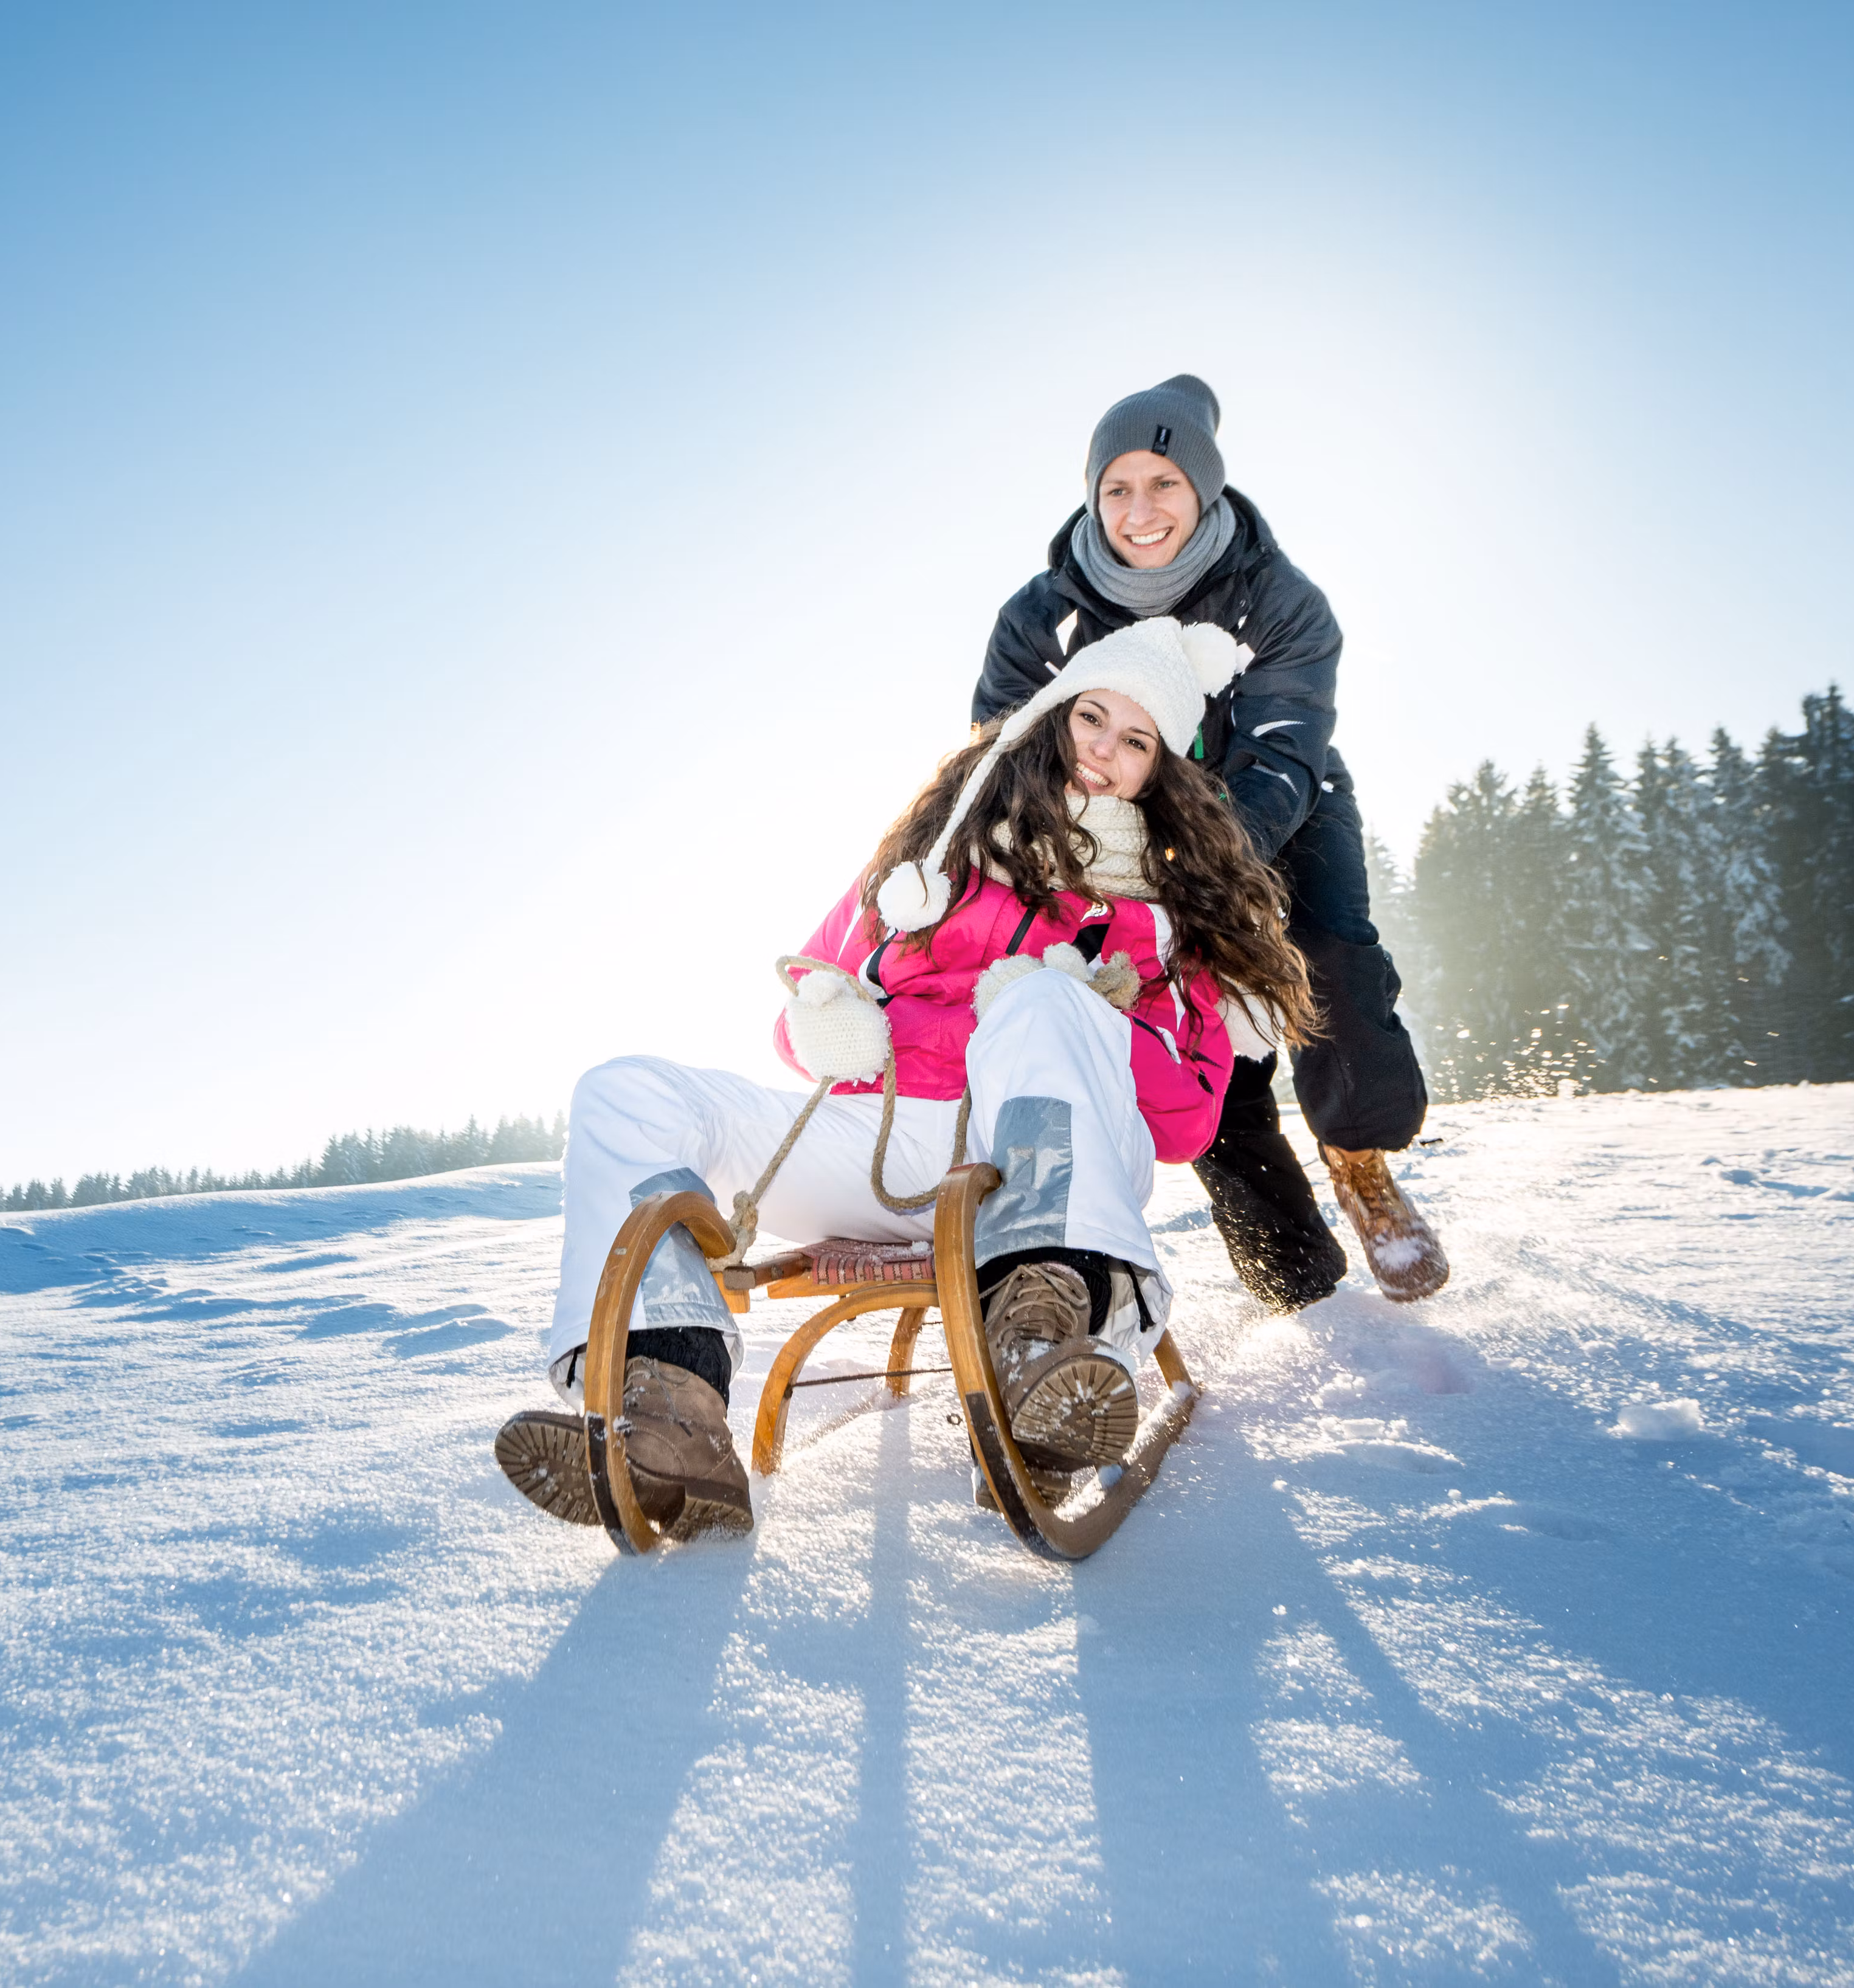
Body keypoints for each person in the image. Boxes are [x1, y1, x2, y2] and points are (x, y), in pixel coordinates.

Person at [495, 616, 1319, 1539]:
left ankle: (1042, 1356)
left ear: (1161, 768)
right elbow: (803, 1001)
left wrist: (1082, 1013)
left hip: (1039, 1165)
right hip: (877, 1144)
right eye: (1093, 717)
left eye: (1138, 740)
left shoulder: (1167, 919)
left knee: (1044, 1007)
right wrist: (827, 1022)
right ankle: (668, 1410)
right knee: (623, 1092)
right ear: (1053, 715)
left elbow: (1184, 1124)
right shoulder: (933, 856)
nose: (1105, 751)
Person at [973, 375, 1445, 1309]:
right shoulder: (1042, 616)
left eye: (1165, 484)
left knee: (1325, 966)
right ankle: (1296, 1272)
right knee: (1179, 1024)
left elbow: (1284, 750)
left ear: (1206, 490)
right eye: (1118, 487)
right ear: (1091, 492)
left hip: (1284, 809)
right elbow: (1001, 740)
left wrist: (1199, 870)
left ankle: (1361, 1159)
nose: (1140, 511)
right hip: (1106, 833)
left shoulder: (1278, 598)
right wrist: (1085, 846)